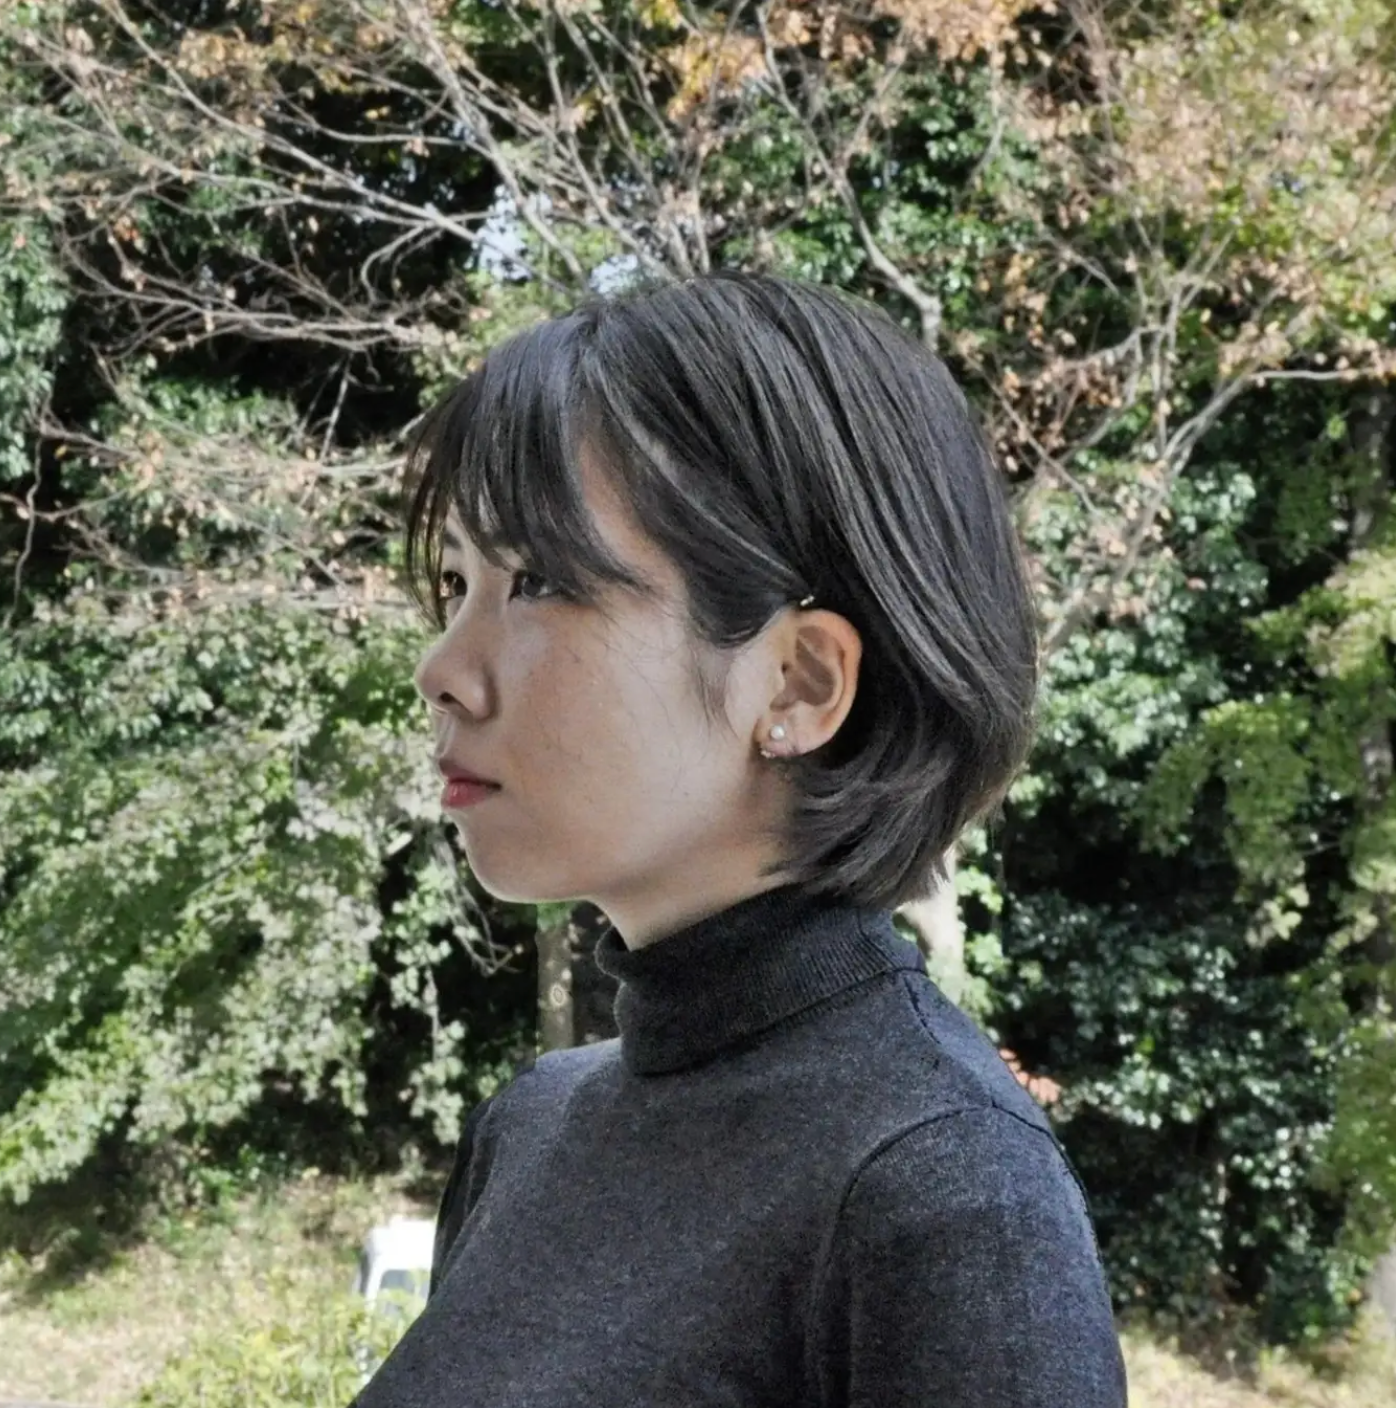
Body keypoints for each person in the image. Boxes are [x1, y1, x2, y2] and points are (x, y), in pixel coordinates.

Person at [352, 272, 1129, 1407]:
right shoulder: (531, 1126)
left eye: (540, 581)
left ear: (799, 681)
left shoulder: (947, 1189)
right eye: (454, 583)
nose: (442, 669)